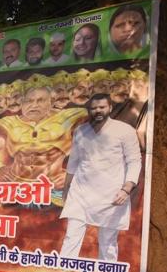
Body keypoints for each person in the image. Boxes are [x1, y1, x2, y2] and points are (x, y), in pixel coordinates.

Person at [59, 93, 141, 261]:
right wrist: (66, 189)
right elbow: (73, 162)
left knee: (108, 242)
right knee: (71, 236)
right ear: (89, 110)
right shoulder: (81, 131)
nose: (98, 111)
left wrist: (126, 189)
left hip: (112, 194)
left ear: (110, 107)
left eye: (102, 107)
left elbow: (134, 161)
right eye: (94, 108)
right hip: (81, 192)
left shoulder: (124, 130)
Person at [0, 84, 87, 205]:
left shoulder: (69, 119)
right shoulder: (10, 124)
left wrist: (71, 175)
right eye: (29, 101)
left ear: (51, 102)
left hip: (54, 189)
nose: (34, 105)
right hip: (18, 189)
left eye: (40, 100)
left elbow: (95, 152)